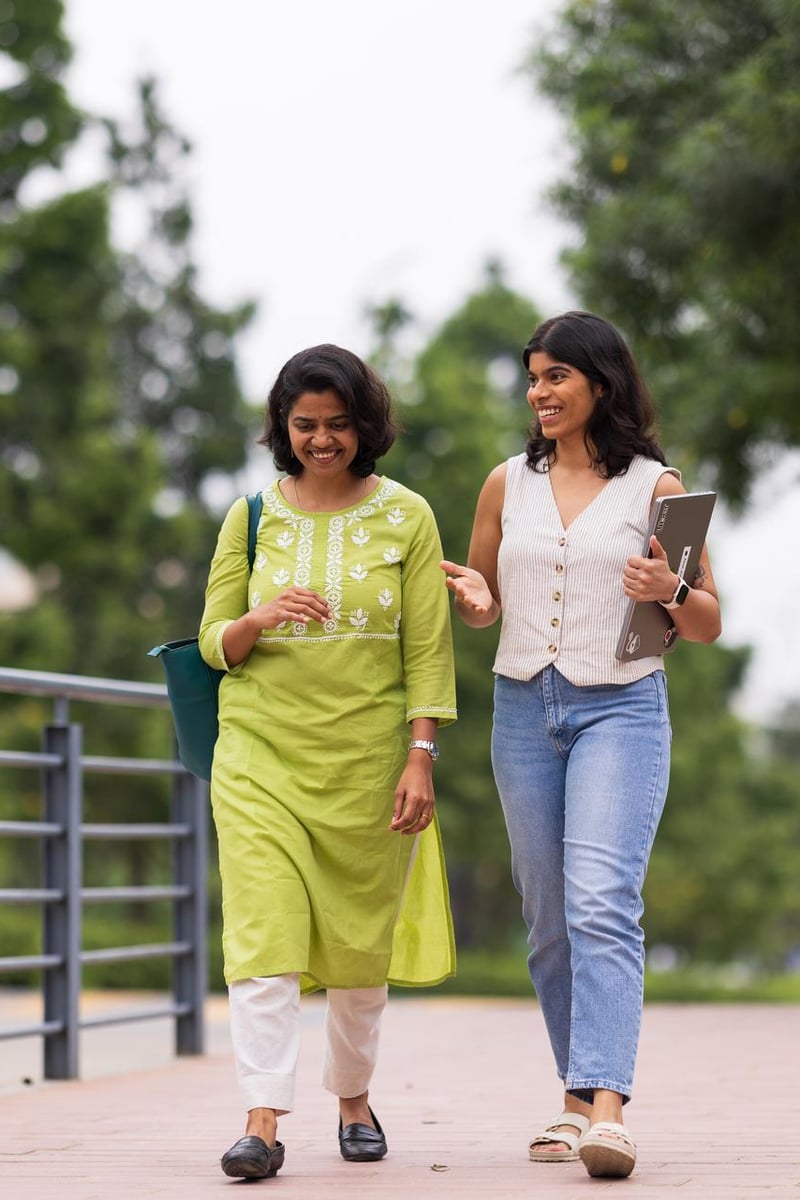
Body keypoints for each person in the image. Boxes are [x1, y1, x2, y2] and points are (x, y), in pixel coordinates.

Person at [441, 311, 721, 1179]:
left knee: (601, 899)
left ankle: (606, 1109)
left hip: (622, 708)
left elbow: (707, 623)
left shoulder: (658, 488)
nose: (539, 392)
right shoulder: (503, 483)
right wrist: (477, 605)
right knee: (549, 914)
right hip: (524, 705)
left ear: (601, 382)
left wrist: (666, 586)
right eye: (533, 377)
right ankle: (570, 1100)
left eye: (557, 375)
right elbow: (482, 587)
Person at [198, 344, 457, 1180]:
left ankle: (353, 1097)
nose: (321, 440)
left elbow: (428, 650)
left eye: (337, 424)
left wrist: (420, 756)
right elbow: (212, 642)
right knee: (263, 936)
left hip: (366, 762)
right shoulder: (250, 517)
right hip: (259, 757)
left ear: (364, 425)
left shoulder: (408, 516)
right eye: (304, 425)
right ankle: (263, 1121)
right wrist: (260, 616)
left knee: (356, 950)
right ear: (282, 428)